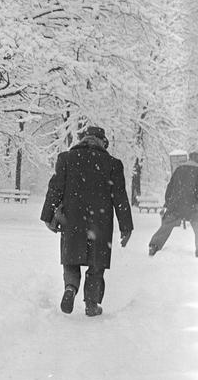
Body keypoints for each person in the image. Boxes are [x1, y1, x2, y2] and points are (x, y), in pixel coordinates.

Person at [41, 126, 133, 317]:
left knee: (71, 259)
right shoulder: (112, 164)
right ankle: (91, 304)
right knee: (96, 264)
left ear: (83, 140)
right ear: (102, 142)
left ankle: (70, 288)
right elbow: (120, 197)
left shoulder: (66, 159)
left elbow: (55, 188)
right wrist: (126, 227)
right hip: (100, 221)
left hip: (72, 219)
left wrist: (48, 216)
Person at [148, 151, 198, 257]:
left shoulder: (179, 170)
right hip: (193, 206)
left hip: (176, 205)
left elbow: (170, 187)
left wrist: (168, 202)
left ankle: (154, 245)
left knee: (167, 225)